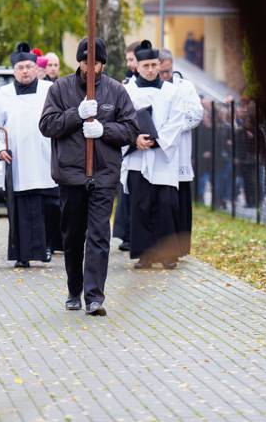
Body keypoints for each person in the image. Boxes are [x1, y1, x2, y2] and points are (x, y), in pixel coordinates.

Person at [39, 38, 138, 316]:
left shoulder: (117, 91)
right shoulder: (60, 89)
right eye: (86, 61)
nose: (91, 67)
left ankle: (95, 297)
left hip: (104, 175)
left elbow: (130, 129)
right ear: (79, 61)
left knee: (99, 236)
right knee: (72, 237)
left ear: (103, 63)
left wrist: (104, 129)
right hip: (71, 175)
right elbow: (47, 125)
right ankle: (74, 290)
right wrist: (75, 115)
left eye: (96, 62)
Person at [0, 43, 60, 268]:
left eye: (29, 66)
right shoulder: (4, 94)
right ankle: (22, 254)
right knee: (21, 209)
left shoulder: (50, 89)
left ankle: (47, 247)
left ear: (37, 68)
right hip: (17, 160)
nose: (25, 71)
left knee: (48, 206)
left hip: (45, 158)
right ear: (14, 70)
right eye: (20, 67)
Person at [122, 40, 185, 269]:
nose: (150, 69)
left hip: (163, 158)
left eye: (154, 65)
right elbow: (122, 120)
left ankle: (168, 254)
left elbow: (177, 121)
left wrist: (157, 141)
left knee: (166, 204)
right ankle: (145, 254)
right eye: (145, 65)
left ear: (159, 65)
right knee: (141, 205)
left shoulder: (172, 91)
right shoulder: (127, 91)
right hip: (137, 157)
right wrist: (133, 139)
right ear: (136, 66)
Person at [158, 48, 204, 259]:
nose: (165, 76)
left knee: (182, 203)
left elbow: (196, 114)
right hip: (159, 154)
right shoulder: (154, 88)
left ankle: (182, 246)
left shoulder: (185, 87)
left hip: (180, 151)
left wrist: (174, 126)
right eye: (161, 72)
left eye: (168, 71)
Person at [112, 41, 143, 252]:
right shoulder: (126, 82)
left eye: (131, 59)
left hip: (143, 143)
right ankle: (125, 233)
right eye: (128, 59)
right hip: (129, 146)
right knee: (126, 190)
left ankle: (132, 235)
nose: (128, 63)